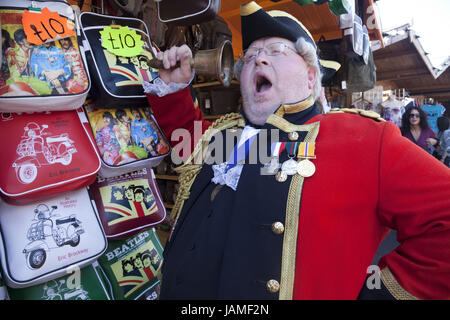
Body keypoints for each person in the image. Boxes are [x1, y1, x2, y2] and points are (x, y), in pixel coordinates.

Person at [143, 2, 450, 299]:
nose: (259, 60)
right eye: (249, 57)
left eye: (277, 51)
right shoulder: (227, 133)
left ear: (311, 76)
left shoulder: (364, 139)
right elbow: (192, 149)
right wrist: (174, 87)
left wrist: (377, 293)